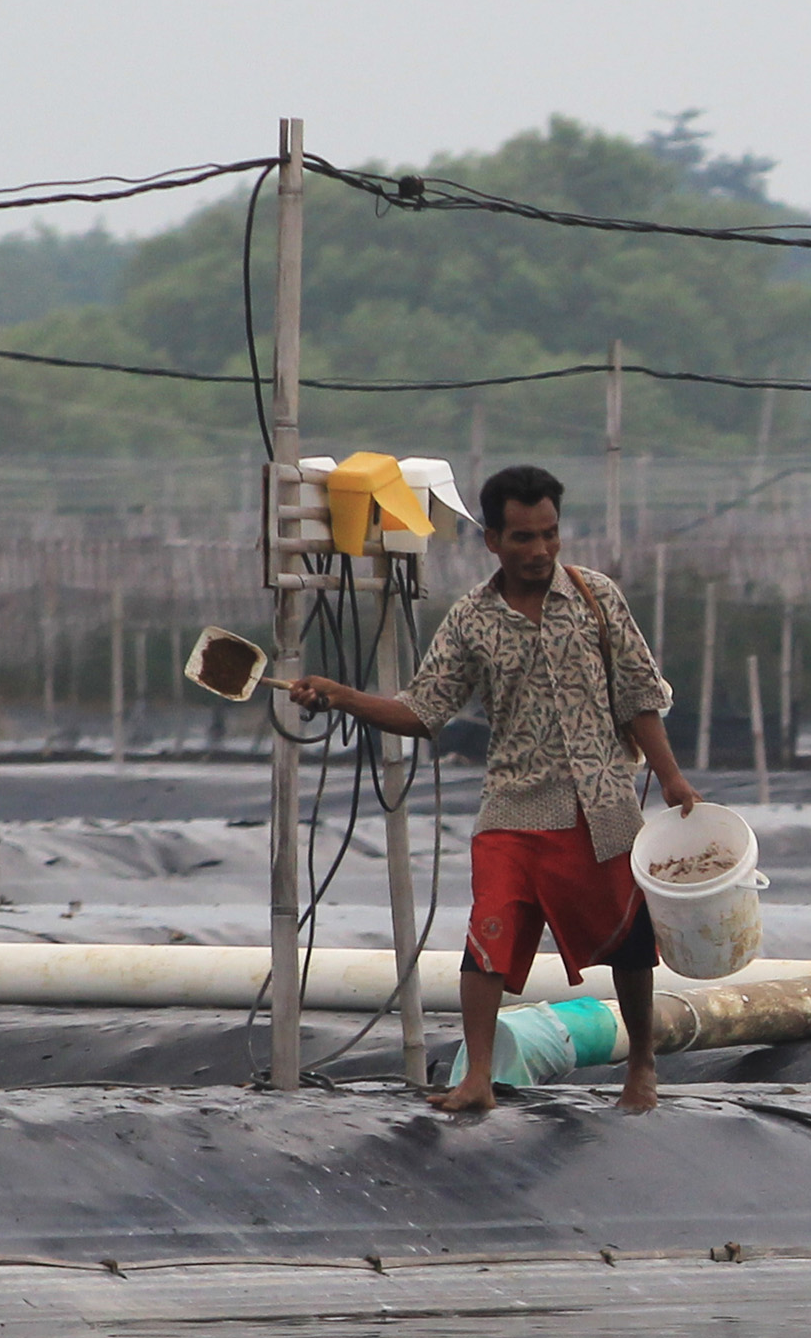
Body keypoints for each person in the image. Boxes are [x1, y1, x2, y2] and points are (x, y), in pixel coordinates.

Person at [289, 463, 698, 1114]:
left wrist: (671, 776)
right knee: (488, 934)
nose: (538, 551)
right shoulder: (472, 621)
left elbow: (640, 695)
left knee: (628, 939)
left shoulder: (597, 598)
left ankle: (642, 1064)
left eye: (548, 535)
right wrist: (340, 695)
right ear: (492, 541)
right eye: (522, 538)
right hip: (513, 804)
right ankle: (477, 1074)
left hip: (602, 802)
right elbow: (422, 711)